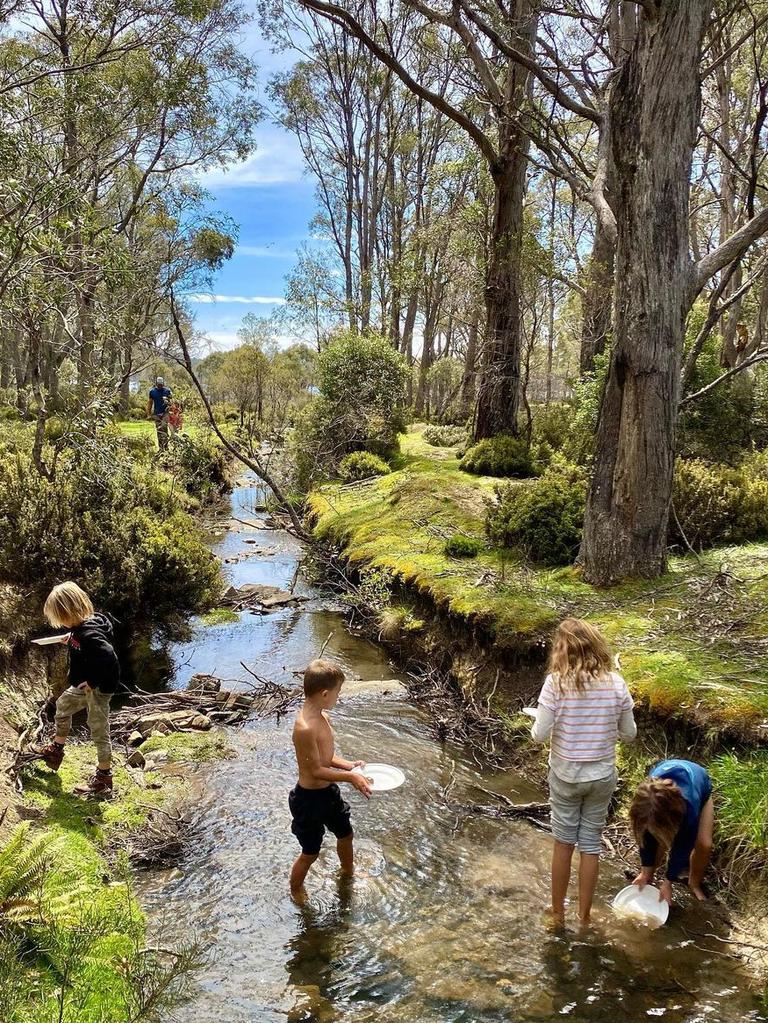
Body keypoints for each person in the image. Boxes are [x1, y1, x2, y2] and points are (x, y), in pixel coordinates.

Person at [531, 618, 637, 926]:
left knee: (564, 843)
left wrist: (538, 718)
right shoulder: (616, 683)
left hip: (565, 775)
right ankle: (585, 916)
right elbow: (629, 733)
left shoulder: (556, 683)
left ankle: (557, 913)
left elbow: (540, 734)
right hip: (602, 775)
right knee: (591, 844)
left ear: (562, 650)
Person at [289, 659, 372, 897]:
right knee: (311, 852)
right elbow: (315, 770)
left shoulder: (323, 716)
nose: (339, 697)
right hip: (308, 800)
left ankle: (348, 872)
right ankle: (296, 889)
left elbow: (326, 757)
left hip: (327, 794)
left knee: (346, 834)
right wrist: (350, 778)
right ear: (325, 694)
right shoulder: (304, 727)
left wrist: (350, 766)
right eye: (338, 692)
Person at [32, 582, 120, 795]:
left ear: (68, 613)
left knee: (98, 729)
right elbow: (85, 647)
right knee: (62, 705)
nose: (60, 623)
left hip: (97, 690)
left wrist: (92, 682)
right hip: (85, 687)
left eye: (60, 617)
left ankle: (103, 779)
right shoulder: (83, 628)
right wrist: (70, 641)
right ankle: (56, 750)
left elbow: (109, 658)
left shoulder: (89, 635)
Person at [630, 759, 714, 904]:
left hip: (700, 786)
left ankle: (694, 883)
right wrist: (645, 871)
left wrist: (669, 881)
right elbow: (644, 839)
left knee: (704, 844)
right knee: (655, 838)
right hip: (663, 796)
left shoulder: (689, 807)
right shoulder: (645, 800)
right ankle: (648, 875)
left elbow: (683, 846)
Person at [147, 375, 172, 451]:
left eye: (161, 384)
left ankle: (166, 447)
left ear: (163, 384)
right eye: (159, 384)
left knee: (164, 428)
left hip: (165, 413)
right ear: (156, 384)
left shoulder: (167, 391)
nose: (160, 386)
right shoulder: (152, 392)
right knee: (159, 430)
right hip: (156, 414)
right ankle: (161, 448)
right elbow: (150, 403)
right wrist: (148, 414)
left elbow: (171, 403)